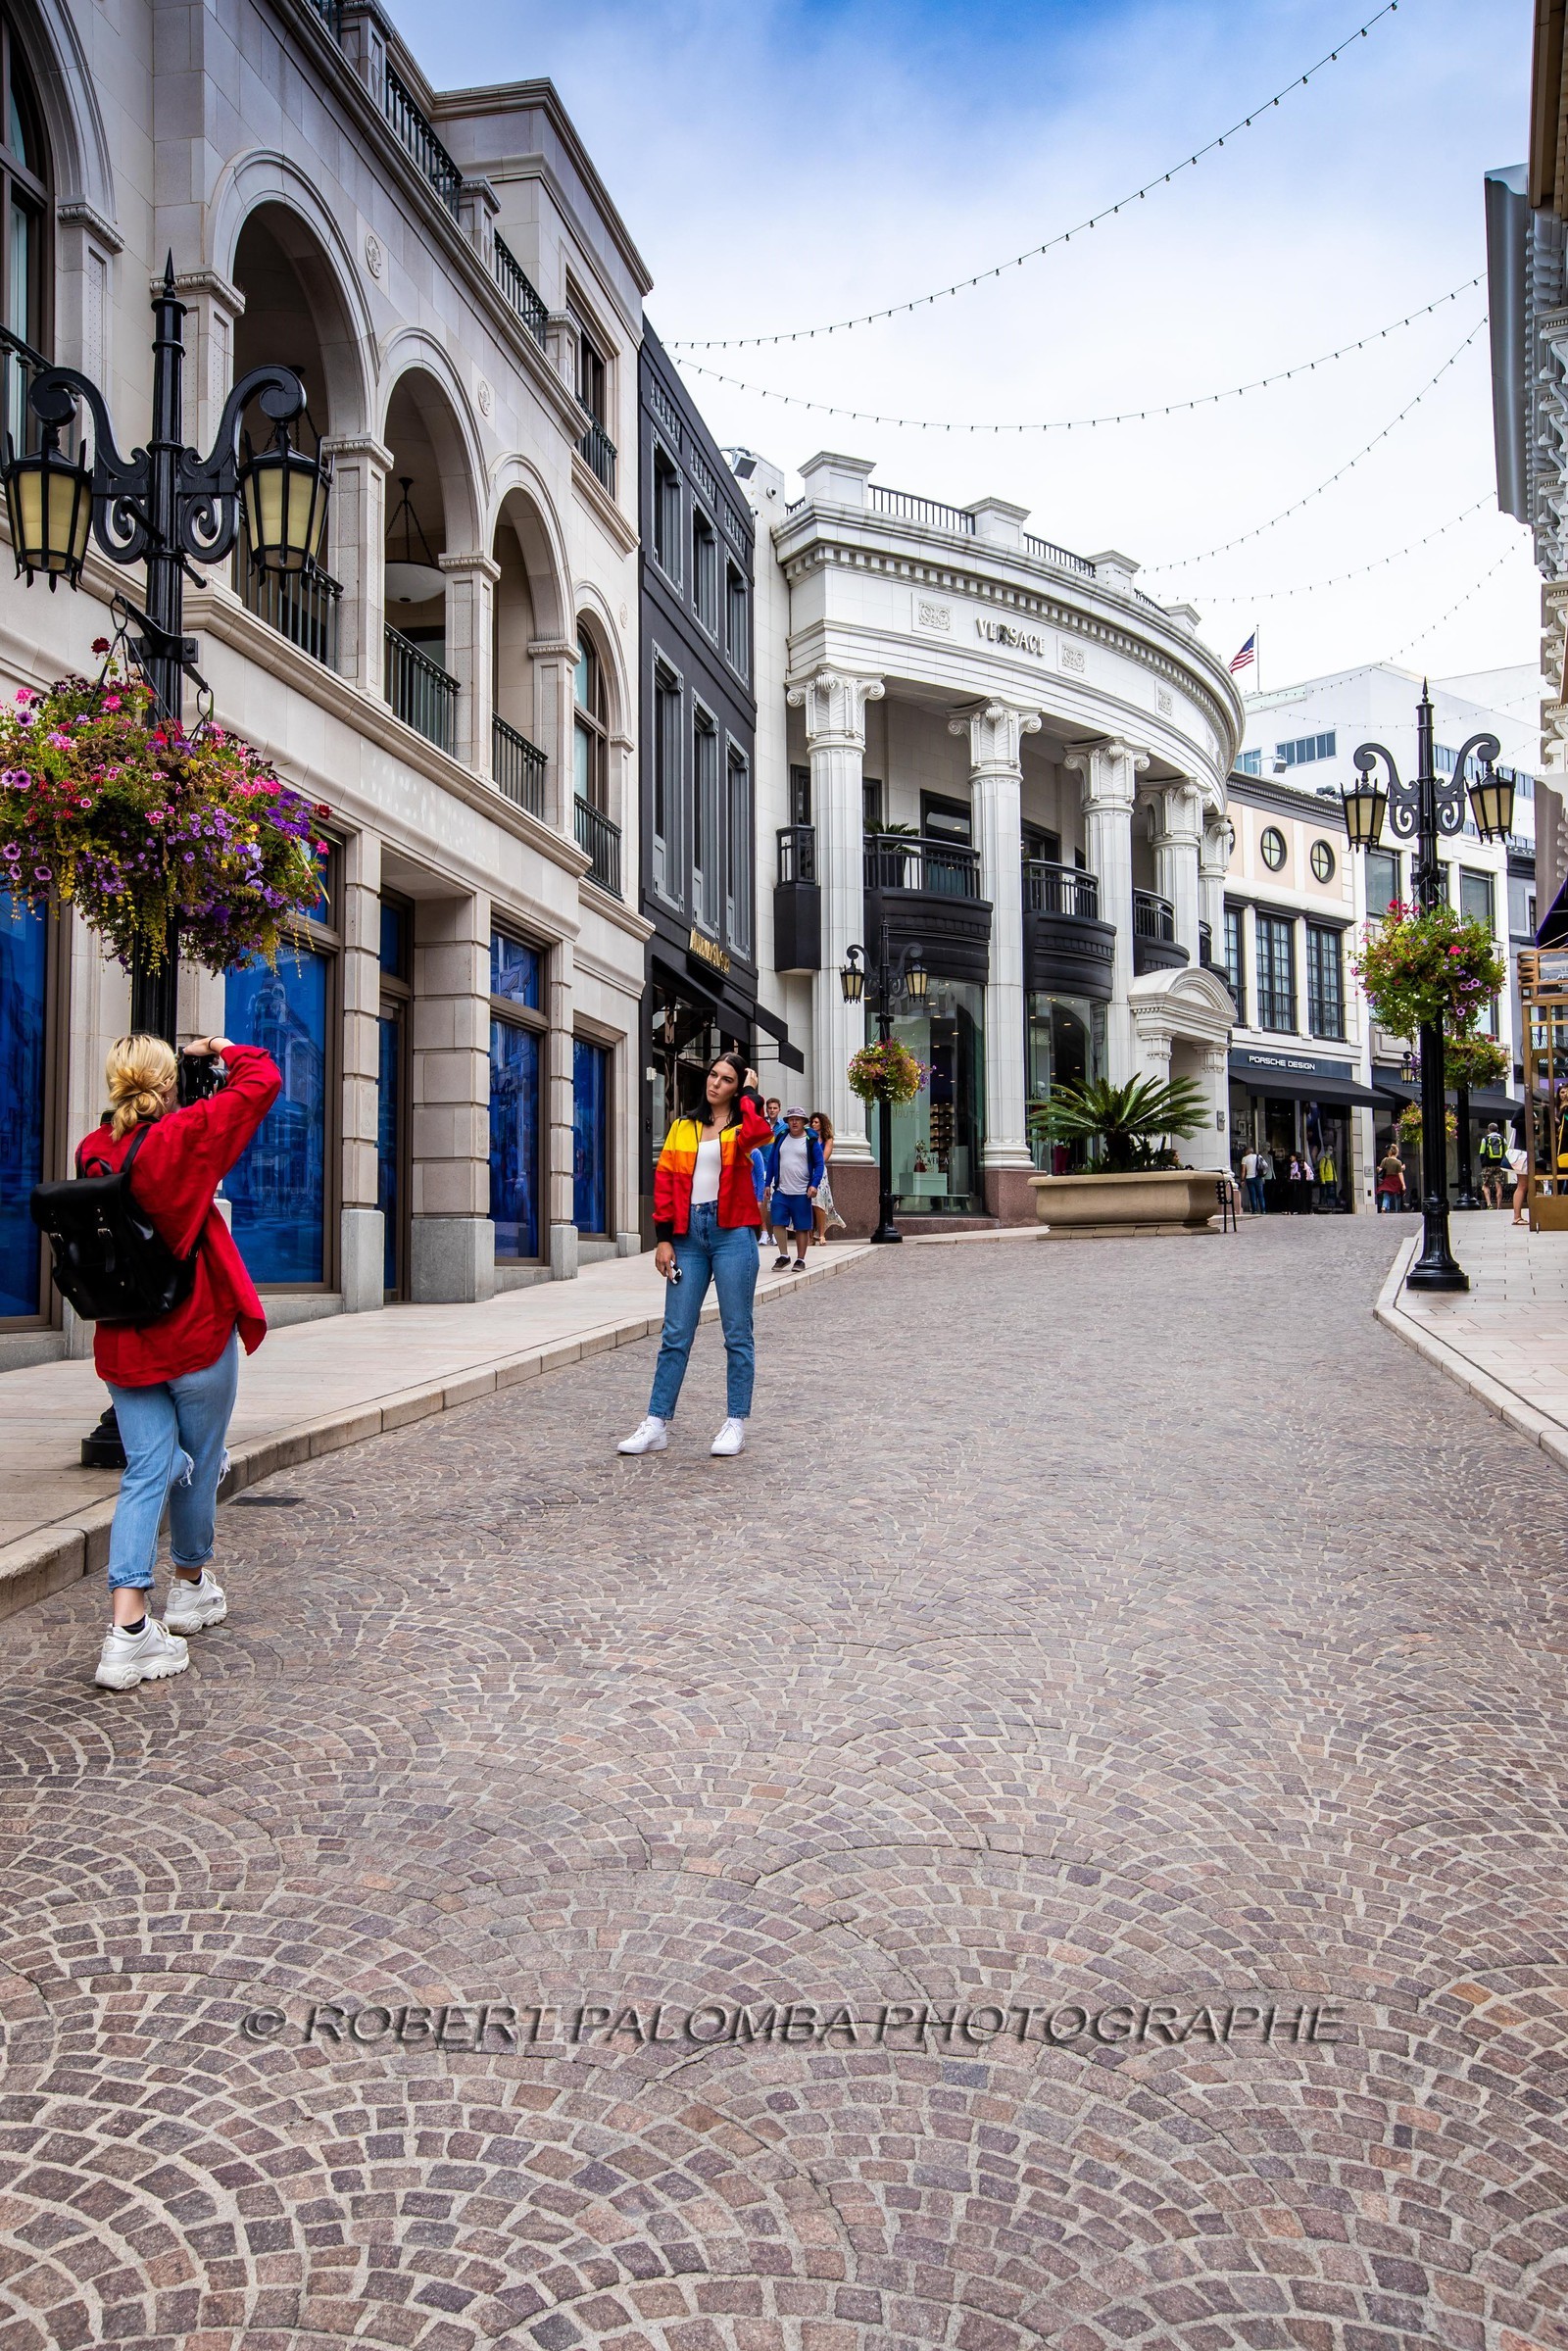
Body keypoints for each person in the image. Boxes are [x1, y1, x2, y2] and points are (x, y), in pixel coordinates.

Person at [84, 1031, 282, 1691]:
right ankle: (191, 1586)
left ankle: (128, 1629)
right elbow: (262, 1080)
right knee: (197, 1465)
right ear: (166, 1083)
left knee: (147, 1470)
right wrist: (222, 1048)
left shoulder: (92, 1150)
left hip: (121, 1341)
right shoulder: (186, 1135)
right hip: (192, 1333)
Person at [620, 1053, 773, 1459]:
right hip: (687, 1237)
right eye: (713, 1075)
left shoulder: (743, 1127)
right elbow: (666, 1184)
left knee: (737, 1334)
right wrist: (663, 1238)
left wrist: (752, 1095)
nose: (715, 1084)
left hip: (732, 1237)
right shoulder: (682, 1128)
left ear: (736, 1086)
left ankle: (735, 1422)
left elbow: (760, 1136)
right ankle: (656, 1423)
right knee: (675, 1335)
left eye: (726, 1080)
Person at [764, 1106, 825, 1271]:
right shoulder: (781, 1138)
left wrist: (814, 1184)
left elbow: (819, 1164)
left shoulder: (810, 1140)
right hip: (781, 1190)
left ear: (804, 1122)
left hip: (801, 1191)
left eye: (797, 1119)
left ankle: (800, 1259)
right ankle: (784, 1255)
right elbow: (772, 1161)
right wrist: (767, 1183)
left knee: (802, 1227)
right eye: (791, 1119)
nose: (794, 1122)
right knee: (777, 1222)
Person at [809, 1111, 845, 1245]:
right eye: (812, 1122)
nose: (813, 1124)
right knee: (808, 1204)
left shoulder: (827, 1139)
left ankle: (822, 1233)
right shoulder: (808, 1137)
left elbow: (824, 1158)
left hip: (819, 1171)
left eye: (816, 1122)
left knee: (819, 1203)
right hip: (807, 1170)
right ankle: (810, 1235)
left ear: (822, 1124)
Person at [1479, 1121, 1506, 1210]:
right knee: (1499, 1184)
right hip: (1499, 1165)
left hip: (1487, 1165)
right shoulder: (1503, 1139)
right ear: (1497, 1130)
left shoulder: (1485, 1139)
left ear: (1488, 1130)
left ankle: (1489, 1204)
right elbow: (1506, 1152)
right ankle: (1499, 1206)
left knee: (1486, 1184)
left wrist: (1483, 1163)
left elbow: (1482, 1153)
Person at [1508, 1127, 1530, 1225]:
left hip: (1525, 1153)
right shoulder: (1524, 1112)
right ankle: (1517, 1217)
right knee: (1523, 1185)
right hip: (1522, 1153)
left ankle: (1520, 1216)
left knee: (1525, 1186)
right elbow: (1515, 1122)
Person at [1377, 1144, 1405, 1212]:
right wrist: (1403, 1184)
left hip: (1387, 1179)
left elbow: (1380, 1170)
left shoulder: (1385, 1160)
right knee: (1396, 1196)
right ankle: (1396, 1209)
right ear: (1396, 1152)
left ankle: (1384, 1207)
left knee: (1386, 1194)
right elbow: (1400, 1173)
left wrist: (1378, 1169)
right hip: (1396, 1180)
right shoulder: (1398, 1162)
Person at [1241, 1145, 1264, 1216]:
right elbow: (1264, 1166)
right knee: (1260, 1194)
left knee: (1252, 1194)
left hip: (1249, 1178)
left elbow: (1243, 1171)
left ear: (1247, 1151)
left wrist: (1242, 1180)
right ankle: (1263, 1210)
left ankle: (1254, 1210)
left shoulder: (1244, 1158)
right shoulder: (1258, 1156)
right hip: (1258, 1177)